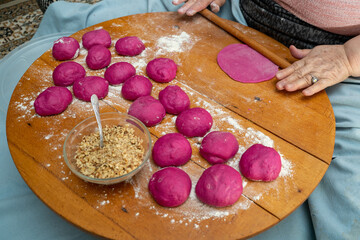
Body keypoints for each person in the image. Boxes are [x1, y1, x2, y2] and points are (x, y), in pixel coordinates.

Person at [0, 0, 359, 239]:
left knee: (346, 188)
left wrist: (346, 56)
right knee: (105, 20)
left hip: (328, 62)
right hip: (230, 14)